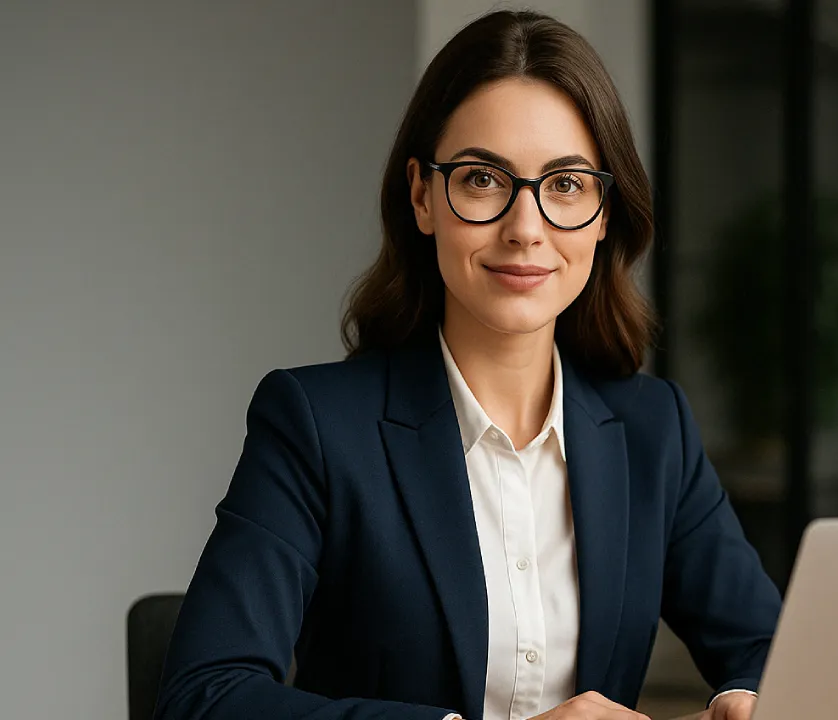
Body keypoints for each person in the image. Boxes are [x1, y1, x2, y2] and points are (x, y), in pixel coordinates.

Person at [156, 10, 781, 720]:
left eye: (566, 185)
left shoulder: (652, 430)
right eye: (484, 179)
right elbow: (204, 698)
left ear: (605, 213)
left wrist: (748, 697)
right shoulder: (317, 426)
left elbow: (771, 647)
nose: (526, 227)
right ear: (423, 196)